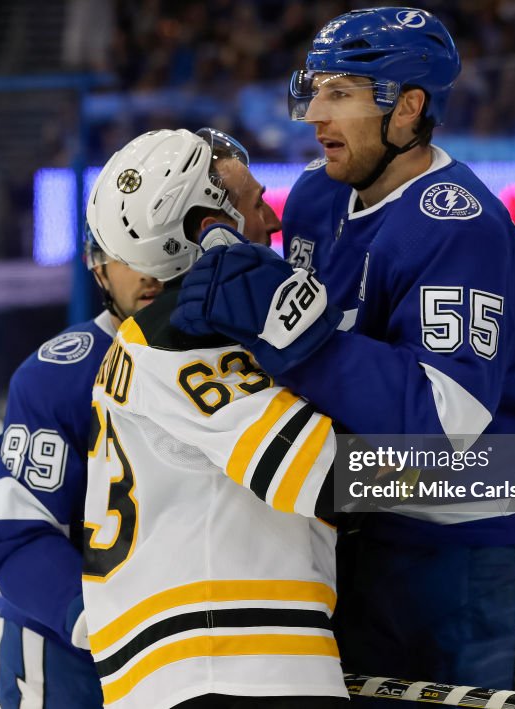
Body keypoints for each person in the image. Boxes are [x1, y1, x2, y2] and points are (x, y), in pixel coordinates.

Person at [171, 7, 515, 704]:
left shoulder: (460, 226)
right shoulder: (312, 199)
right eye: (316, 90)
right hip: (371, 543)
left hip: (488, 552)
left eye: (342, 94)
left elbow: (443, 422)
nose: (315, 116)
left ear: (408, 109)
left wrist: (296, 338)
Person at [0, 126, 281, 709]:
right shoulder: (60, 374)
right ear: (98, 266)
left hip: (212, 665)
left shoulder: (267, 359)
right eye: (125, 252)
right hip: (78, 665)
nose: (144, 271)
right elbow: (17, 534)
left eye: (162, 243)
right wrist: (101, 623)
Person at [81, 128, 349, 709]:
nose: (273, 224)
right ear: (209, 225)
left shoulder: (146, 343)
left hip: (184, 669)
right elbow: (328, 475)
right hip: (230, 664)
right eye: (256, 204)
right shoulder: (186, 341)